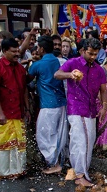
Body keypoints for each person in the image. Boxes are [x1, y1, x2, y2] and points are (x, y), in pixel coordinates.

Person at [54, 38, 107, 187]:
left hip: (91, 110)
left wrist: (104, 107)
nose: (92, 57)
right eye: (90, 53)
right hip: (76, 108)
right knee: (82, 141)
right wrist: (70, 75)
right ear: (82, 50)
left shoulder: (99, 69)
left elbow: (103, 90)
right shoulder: (73, 63)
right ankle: (80, 175)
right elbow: (57, 74)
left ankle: (79, 172)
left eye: (95, 54)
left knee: (87, 141)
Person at [0, 38, 31, 179]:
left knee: (19, 143)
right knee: (4, 144)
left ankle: (18, 171)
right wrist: (0, 113)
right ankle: (4, 173)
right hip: (3, 114)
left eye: (17, 50)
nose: (17, 53)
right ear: (4, 51)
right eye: (13, 51)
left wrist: (27, 109)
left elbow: (24, 90)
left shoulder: (19, 68)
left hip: (18, 112)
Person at [27, 35, 69, 175]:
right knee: (59, 134)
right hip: (62, 103)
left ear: (42, 49)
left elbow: (27, 79)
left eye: (38, 47)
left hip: (48, 104)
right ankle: (59, 162)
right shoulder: (59, 61)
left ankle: (54, 164)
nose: (36, 49)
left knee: (44, 135)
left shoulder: (38, 65)